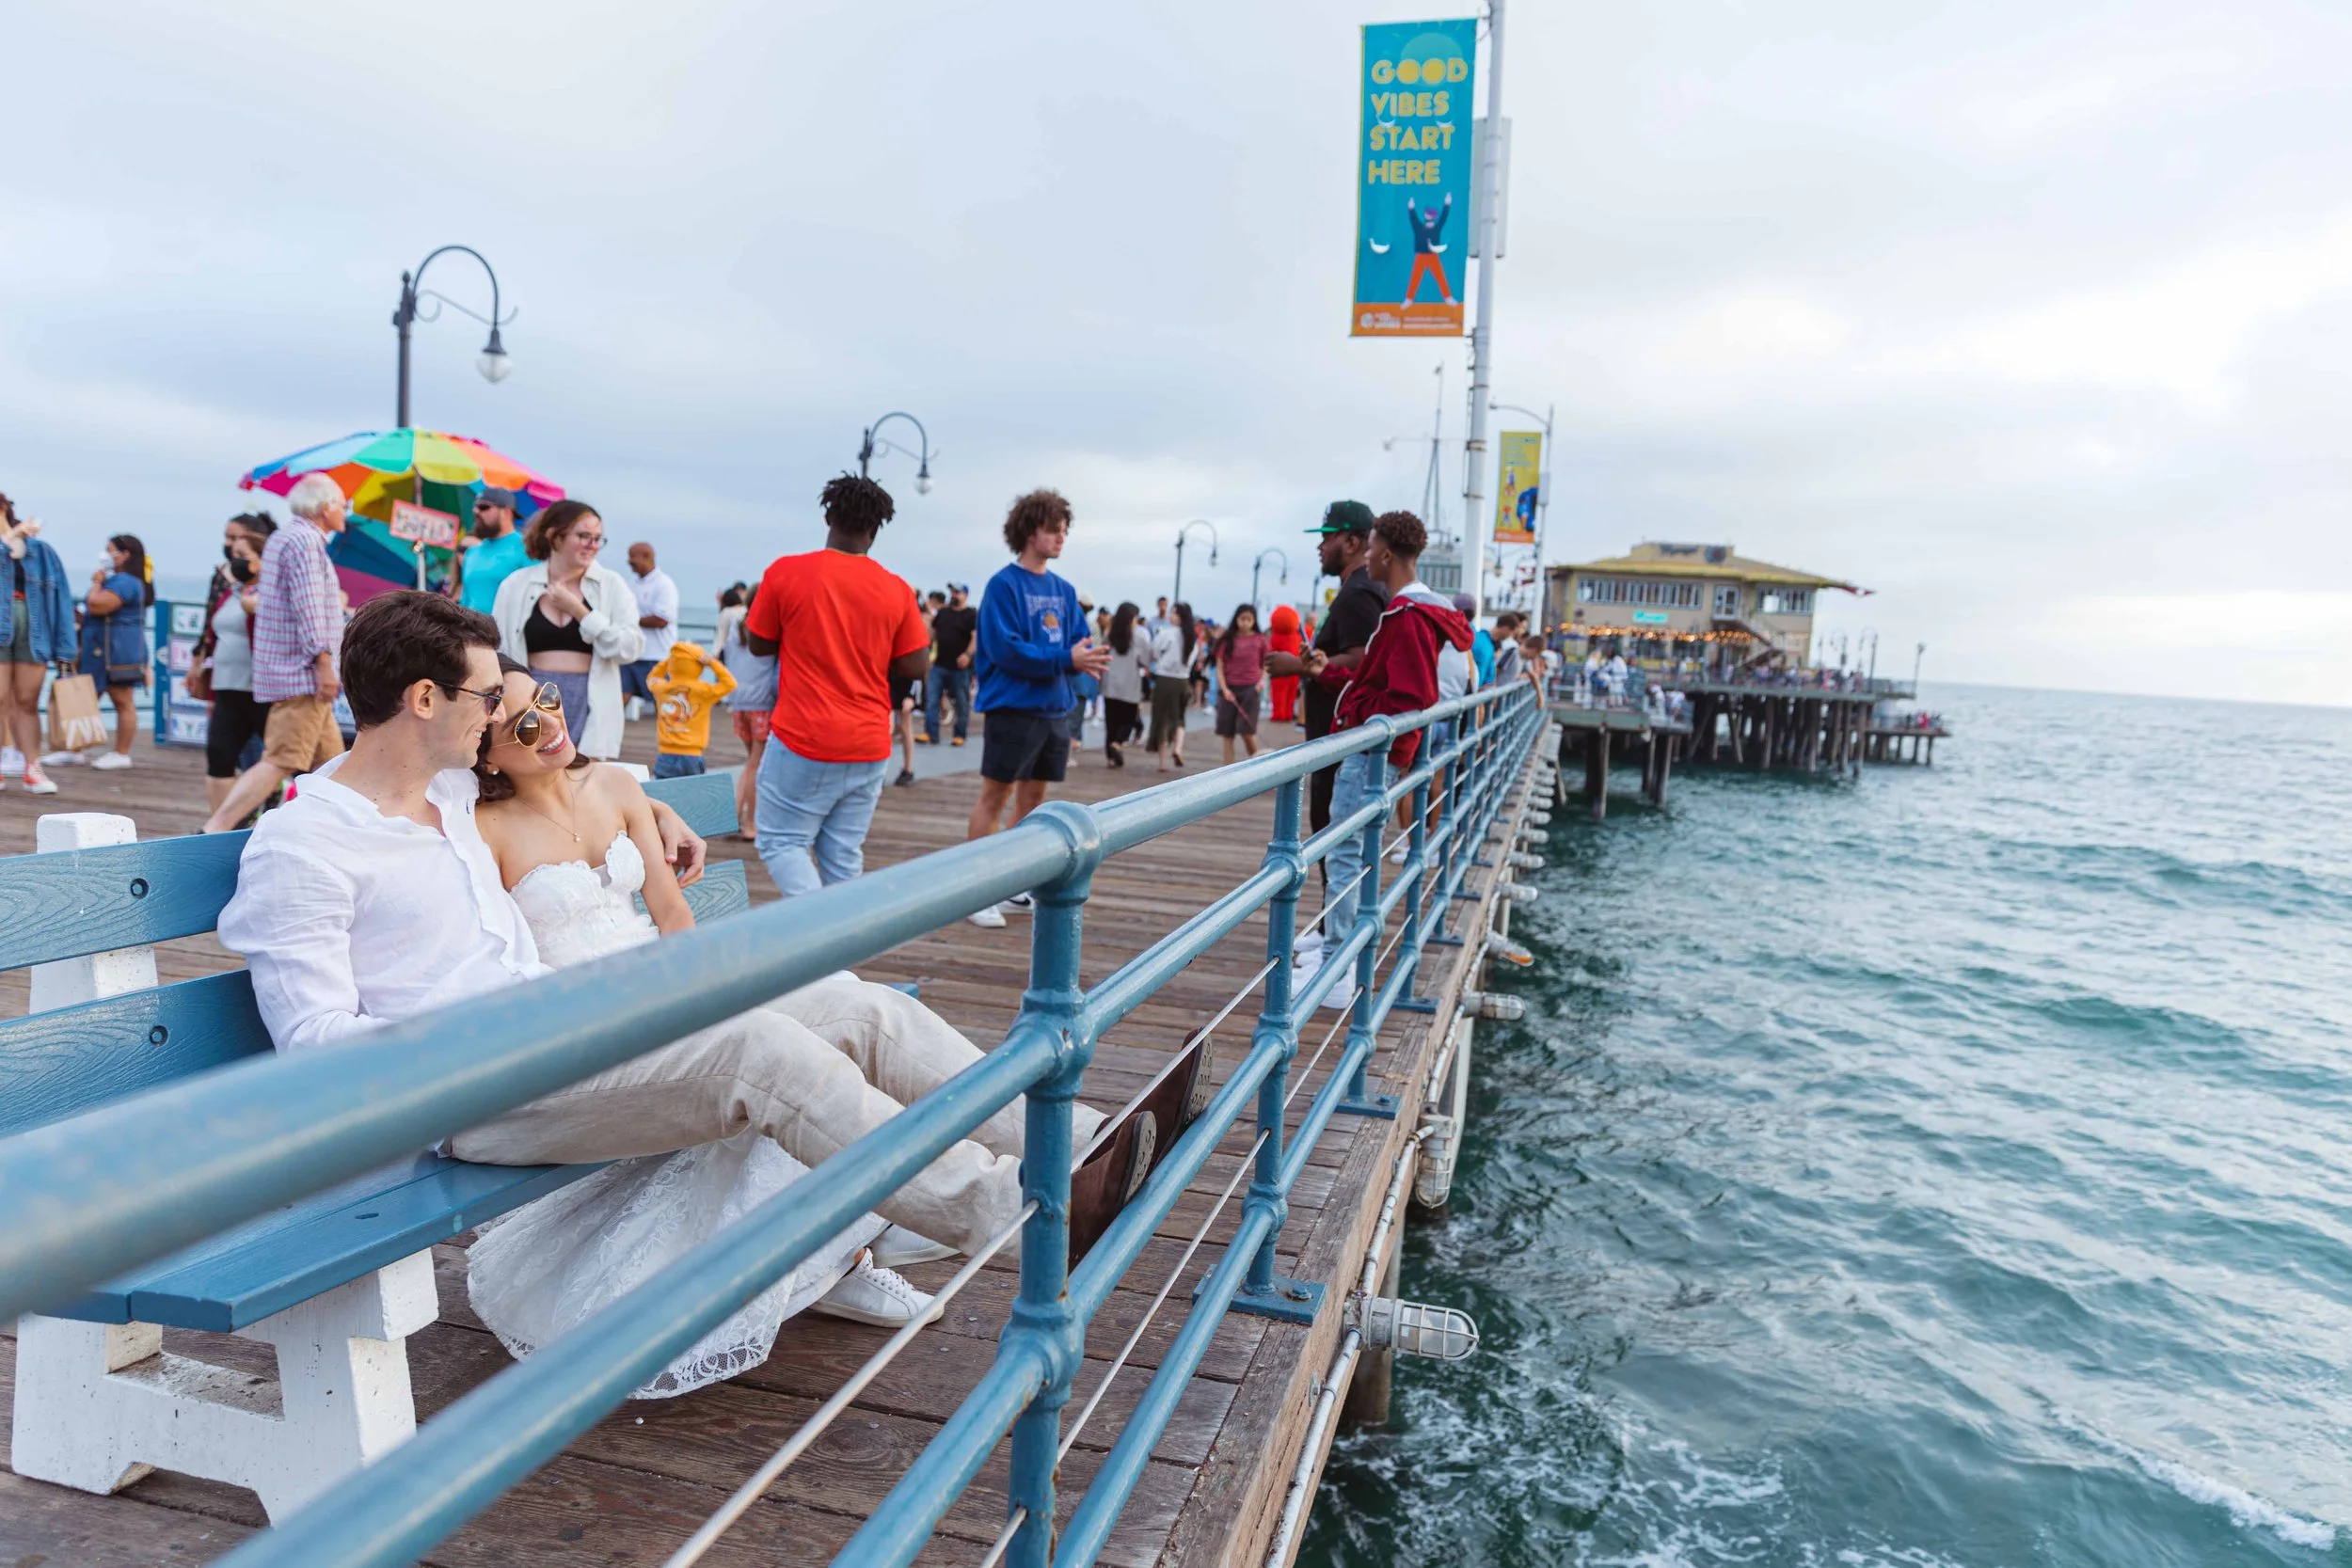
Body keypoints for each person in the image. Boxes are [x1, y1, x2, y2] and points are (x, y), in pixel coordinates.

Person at [212, 598, 1154, 1383]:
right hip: (469, 1093)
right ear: (424, 699)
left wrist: (651, 807)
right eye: (486, 695)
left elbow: (571, 787)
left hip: (576, 1026)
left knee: (853, 1006)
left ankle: (1081, 1141)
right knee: (764, 1055)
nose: (500, 711)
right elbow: (317, 1051)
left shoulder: (447, 791)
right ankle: (1012, 1211)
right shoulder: (307, 846)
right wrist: (479, 1033)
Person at [1299, 510, 1470, 992]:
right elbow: (1382, 681)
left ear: (1388, 553)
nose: (1368, 556)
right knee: (1353, 852)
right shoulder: (1413, 610)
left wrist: (1358, 715)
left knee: (1347, 853)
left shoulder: (1408, 616)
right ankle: (1341, 956)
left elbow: (1409, 698)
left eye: (1372, 547)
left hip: (1375, 757)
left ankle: (1337, 973)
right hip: (1381, 754)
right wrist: (1328, 674)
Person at [745, 475, 929, 899]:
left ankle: (820, 947)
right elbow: (917, 665)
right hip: (869, 743)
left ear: (828, 515)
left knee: (782, 841)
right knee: (843, 856)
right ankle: (841, 958)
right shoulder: (897, 589)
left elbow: (758, 644)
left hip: (802, 737)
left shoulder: (785, 572)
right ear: (876, 530)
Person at [965, 488, 1111, 928]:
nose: (1061, 538)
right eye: (1054, 529)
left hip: (1054, 708)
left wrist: (1078, 657)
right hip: (1013, 707)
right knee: (995, 795)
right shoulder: (1003, 585)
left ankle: (1015, 883)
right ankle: (978, 888)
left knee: (1035, 800)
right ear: (1031, 531)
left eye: (1065, 530)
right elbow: (1006, 650)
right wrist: (1068, 659)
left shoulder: (1065, 591)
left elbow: (1076, 642)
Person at [1263, 501, 1388, 991]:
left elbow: (1362, 661)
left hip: (1342, 741)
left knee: (1337, 842)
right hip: (1338, 739)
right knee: (1333, 839)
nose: (1320, 545)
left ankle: (1337, 960)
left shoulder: (1359, 594)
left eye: (1328, 536)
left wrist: (1301, 668)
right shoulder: (1358, 592)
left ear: (1352, 541)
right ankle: (1328, 929)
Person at [203, 477, 349, 828]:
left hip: (289, 669)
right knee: (280, 760)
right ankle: (215, 827)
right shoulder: (305, 541)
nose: (345, 513)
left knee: (334, 765)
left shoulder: (285, 537)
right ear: (325, 507)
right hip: (302, 674)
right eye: (343, 505)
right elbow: (309, 606)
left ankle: (340, 829)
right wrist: (324, 664)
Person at [491, 499, 642, 761]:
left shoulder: (612, 585)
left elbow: (630, 648)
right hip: (531, 696)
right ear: (554, 536)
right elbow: (498, 651)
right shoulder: (515, 585)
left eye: (598, 539)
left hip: (589, 698)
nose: (593, 545)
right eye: (584, 536)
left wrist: (580, 611)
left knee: (583, 781)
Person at [196, 513, 277, 816]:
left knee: (277, 759)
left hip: (262, 688)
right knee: (219, 757)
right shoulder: (230, 592)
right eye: (233, 553)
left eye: (242, 555)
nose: (234, 559)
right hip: (227, 686)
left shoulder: (271, 594)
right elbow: (212, 632)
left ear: (260, 560)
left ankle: (270, 809)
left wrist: (255, 606)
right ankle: (220, 826)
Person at [60, 533, 151, 771]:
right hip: (101, 650)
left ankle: (121, 752)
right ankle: (74, 749)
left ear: (125, 555)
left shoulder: (126, 582)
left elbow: (98, 604)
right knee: (86, 698)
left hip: (116, 652)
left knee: (122, 700)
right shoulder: (123, 581)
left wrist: (97, 582)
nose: (106, 555)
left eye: (110, 550)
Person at [0, 495, 72, 795]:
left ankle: (32, 766)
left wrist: (66, 648)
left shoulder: (41, 552)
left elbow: (62, 600)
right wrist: (8, 540)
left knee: (28, 702)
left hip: (35, 632)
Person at [718, 585, 775, 838]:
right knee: (755, 765)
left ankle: (734, 817)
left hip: (738, 702)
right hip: (761, 704)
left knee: (751, 763)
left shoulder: (736, 627)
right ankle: (750, 823)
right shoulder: (768, 627)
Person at [646, 641, 736, 780]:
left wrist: (669, 661)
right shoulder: (704, 690)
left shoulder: (662, 688)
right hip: (692, 755)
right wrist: (712, 663)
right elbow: (730, 683)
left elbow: (652, 677)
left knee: (663, 796)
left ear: (672, 665)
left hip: (665, 754)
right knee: (693, 798)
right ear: (698, 666)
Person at [622, 541, 678, 722]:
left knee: (662, 704)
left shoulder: (664, 584)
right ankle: (607, 743)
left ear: (646, 556)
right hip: (632, 654)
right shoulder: (631, 584)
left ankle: (671, 743)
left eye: (632, 557)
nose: (629, 562)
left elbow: (662, 620)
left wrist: (631, 620)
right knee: (620, 696)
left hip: (657, 656)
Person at [455, 487, 528, 616]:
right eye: (475, 507)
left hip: (507, 633)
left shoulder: (527, 548)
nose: (476, 511)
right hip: (471, 632)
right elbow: (466, 601)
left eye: (484, 507)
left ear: (506, 512)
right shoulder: (471, 553)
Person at [1214, 604, 1269, 766]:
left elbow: (1266, 662)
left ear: (1254, 621)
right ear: (1236, 619)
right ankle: (1227, 769)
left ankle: (1257, 764)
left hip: (1251, 688)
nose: (1244, 623)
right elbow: (1219, 666)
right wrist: (1224, 689)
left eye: (1249, 619)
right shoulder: (1227, 640)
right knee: (1227, 733)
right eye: (1242, 619)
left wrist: (1262, 681)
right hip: (1230, 689)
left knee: (1247, 730)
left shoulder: (1259, 640)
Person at [924, 581, 977, 747]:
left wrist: (968, 655)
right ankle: (931, 733)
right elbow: (933, 632)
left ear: (965, 595)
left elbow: (976, 637)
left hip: (960, 667)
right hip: (940, 664)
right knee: (932, 698)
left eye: (958, 592)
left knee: (961, 701)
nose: (954, 595)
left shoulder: (971, 614)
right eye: (953, 592)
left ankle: (959, 734)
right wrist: (926, 650)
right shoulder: (943, 613)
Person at [1099, 601, 1150, 768]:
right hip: (1130, 686)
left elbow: (1102, 654)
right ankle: (1118, 743)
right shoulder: (1139, 637)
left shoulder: (1109, 635)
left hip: (1110, 684)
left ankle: (1111, 758)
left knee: (1111, 722)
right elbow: (1145, 660)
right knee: (1127, 720)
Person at [1145, 601, 1195, 771]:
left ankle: (1162, 762)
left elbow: (1155, 652)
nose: (1171, 616)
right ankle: (1178, 749)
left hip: (1165, 679)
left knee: (1162, 720)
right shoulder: (1192, 638)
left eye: (1174, 613)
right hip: (1183, 680)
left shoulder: (1167, 633)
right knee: (1180, 718)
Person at [1267, 603, 1303, 724]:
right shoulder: (1296, 637)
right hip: (1295, 668)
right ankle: (1288, 713)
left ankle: (1279, 714)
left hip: (1279, 669)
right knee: (1291, 693)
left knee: (1279, 693)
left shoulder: (1275, 637)